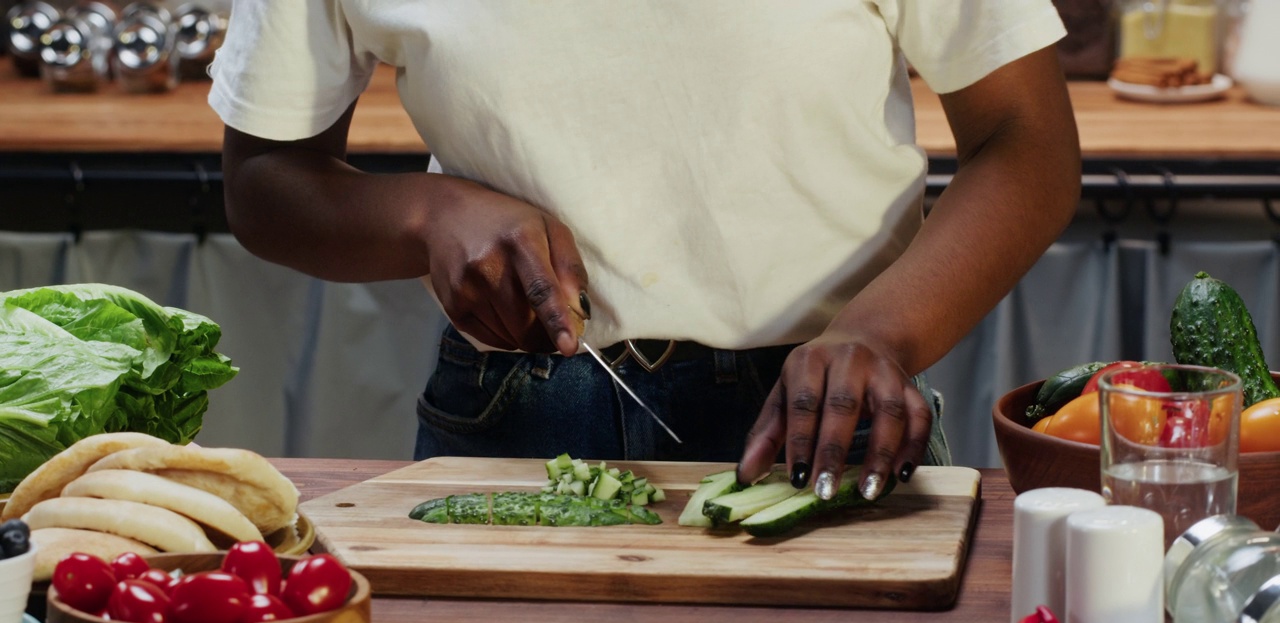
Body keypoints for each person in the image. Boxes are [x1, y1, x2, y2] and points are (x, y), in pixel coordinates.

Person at [210, 2, 1081, 502]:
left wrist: (882, 336)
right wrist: (424, 212)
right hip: (517, 413)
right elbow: (264, 180)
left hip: (828, 419)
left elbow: (1027, 143)